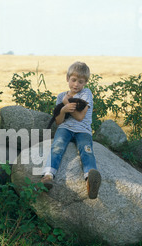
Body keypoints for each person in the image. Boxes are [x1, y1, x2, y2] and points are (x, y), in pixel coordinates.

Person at [41, 61, 101, 199]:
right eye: (74, 80)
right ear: (67, 78)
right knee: (57, 147)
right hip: (65, 128)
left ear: (85, 83)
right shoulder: (61, 96)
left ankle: (90, 179)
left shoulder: (86, 94)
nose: (76, 84)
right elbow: (58, 121)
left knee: (86, 150)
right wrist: (62, 109)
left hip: (83, 130)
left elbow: (80, 117)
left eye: (80, 81)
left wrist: (67, 104)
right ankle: (48, 176)